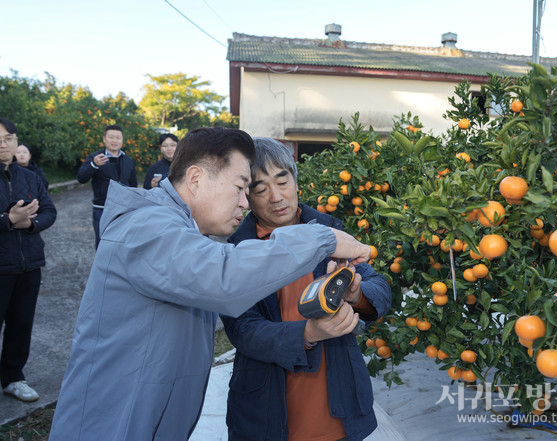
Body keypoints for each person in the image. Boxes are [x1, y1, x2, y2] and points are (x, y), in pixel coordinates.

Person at [48, 127, 371, 441]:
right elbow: (225, 278)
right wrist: (322, 238)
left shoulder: (185, 235)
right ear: (196, 179)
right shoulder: (147, 226)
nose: (245, 203)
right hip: (114, 424)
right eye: (241, 187)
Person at [221, 137, 392, 441]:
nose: (276, 197)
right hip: (269, 411)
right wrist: (308, 334)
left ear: (296, 180)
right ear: (246, 197)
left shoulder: (327, 231)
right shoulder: (238, 250)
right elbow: (244, 330)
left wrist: (356, 293)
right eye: (260, 189)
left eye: (282, 181)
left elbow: (379, 286)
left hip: (337, 407)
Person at [0, 117, 57, 402]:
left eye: (8, 138)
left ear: (15, 140)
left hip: (29, 264)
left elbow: (49, 210)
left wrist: (31, 225)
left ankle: (13, 378)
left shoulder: (30, 177)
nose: (3, 144)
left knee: (21, 325)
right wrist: (7, 220)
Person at [76, 124, 137, 248]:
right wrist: (94, 164)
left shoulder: (128, 160)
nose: (114, 140)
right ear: (104, 139)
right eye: (111, 137)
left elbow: (133, 185)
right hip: (102, 209)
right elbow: (81, 178)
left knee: (123, 244)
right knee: (103, 244)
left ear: (122, 140)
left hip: (124, 210)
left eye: (118, 138)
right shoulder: (96, 157)